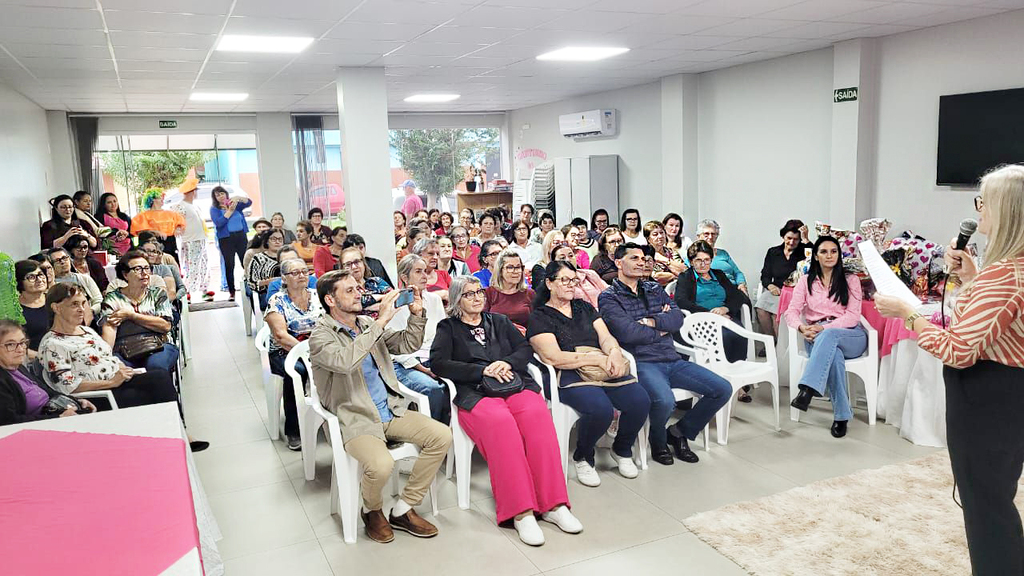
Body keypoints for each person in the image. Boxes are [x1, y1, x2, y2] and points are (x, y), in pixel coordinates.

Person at [874, 165, 1024, 576]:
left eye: (983, 203)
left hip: (987, 400)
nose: (978, 213)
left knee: (986, 507)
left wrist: (909, 314)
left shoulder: (1005, 276)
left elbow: (957, 350)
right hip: (1010, 397)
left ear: (1006, 211)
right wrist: (974, 277)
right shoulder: (1012, 270)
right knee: (996, 497)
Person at [431, 276, 582, 546]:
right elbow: (440, 364)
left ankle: (553, 505)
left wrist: (505, 362)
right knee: (502, 426)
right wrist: (482, 370)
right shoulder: (448, 328)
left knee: (537, 416)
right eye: (469, 294)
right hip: (475, 392)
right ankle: (521, 512)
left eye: (479, 292)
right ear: (456, 300)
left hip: (515, 384)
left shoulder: (499, 321)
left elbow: (525, 348)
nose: (477, 298)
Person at [309, 269, 450, 543]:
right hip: (355, 417)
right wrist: (381, 321)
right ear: (330, 300)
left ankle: (404, 508)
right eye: (349, 290)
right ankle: (371, 511)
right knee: (381, 464)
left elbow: (407, 344)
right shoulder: (320, 336)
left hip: (390, 409)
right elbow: (344, 361)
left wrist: (417, 314)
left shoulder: (364, 324)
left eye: (357, 288)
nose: (358, 293)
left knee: (442, 435)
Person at [599, 243, 731, 466]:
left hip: (671, 358)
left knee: (722, 389)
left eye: (643, 258)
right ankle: (658, 440)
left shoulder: (654, 288)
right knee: (665, 400)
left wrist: (652, 322)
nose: (641, 262)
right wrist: (661, 327)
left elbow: (677, 319)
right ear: (619, 263)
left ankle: (679, 432)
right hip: (642, 361)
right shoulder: (608, 297)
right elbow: (628, 333)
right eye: (634, 258)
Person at [39, 282, 206, 451]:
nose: (82, 309)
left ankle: (177, 433)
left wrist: (121, 368)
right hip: (99, 395)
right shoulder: (52, 344)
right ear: (56, 308)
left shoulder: (85, 330)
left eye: (83, 303)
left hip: (118, 381)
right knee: (152, 392)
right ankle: (177, 435)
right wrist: (111, 383)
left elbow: (105, 355)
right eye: (74, 304)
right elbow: (67, 386)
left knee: (159, 376)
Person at [528, 260, 649, 486]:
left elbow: (604, 335)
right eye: (564, 280)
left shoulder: (583, 307)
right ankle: (583, 456)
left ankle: (621, 449)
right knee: (600, 409)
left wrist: (613, 352)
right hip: (567, 372)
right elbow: (553, 357)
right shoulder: (540, 316)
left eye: (574, 280)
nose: (571, 285)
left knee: (641, 401)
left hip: (601, 365)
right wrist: (596, 359)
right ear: (549, 283)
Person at [784, 236, 865, 439]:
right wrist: (802, 328)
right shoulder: (805, 281)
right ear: (816, 256)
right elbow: (791, 312)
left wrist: (823, 327)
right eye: (824, 252)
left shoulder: (851, 280)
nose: (829, 255)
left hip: (850, 335)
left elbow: (853, 315)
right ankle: (841, 416)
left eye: (833, 251)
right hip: (817, 337)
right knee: (834, 357)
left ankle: (807, 391)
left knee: (830, 335)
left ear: (839, 254)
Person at [265, 258, 322, 451]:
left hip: (317, 347)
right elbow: (281, 335)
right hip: (286, 351)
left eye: (305, 272)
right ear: (284, 278)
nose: (301, 276)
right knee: (296, 372)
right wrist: (305, 352)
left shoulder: (317, 295)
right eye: (295, 273)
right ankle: (294, 429)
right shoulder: (277, 300)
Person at [387, 254, 448, 422]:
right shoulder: (395, 303)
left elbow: (444, 336)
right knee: (433, 389)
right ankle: (435, 436)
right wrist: (425, 369)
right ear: (404, 278)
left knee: (461, 382)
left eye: (426, 271)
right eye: (418, 271)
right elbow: (397, 350)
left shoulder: (434, 299)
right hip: (406, 364)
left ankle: (454, 432)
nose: (424, 276)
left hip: (434, 358)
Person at [99, 250, 181, 376]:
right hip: (124, 349)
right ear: (125, 275)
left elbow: (165, 325)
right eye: (138, 269)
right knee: (119, 371)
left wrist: (130, 315)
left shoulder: (157, 294)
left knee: (155, 367)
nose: (145, 273)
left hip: (158, 345)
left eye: (147, 268)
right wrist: (106, 358)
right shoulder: (113, 299)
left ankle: (163, 396)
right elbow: (109, 330)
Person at [0, 320, 96, 425]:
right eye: (11, 344)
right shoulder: (3, 380)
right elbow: (10, 421)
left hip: (54, 415)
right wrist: (58, 418)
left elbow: (47, 392)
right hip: (37, 429)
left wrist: (77, 401)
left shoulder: (19, 368)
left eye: (22, 342)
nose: (20, 349)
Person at [675, 241, 749, 365]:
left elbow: (737, 295)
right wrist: (710, 313)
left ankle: (736, 372)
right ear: (692, 261)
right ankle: (720, 373)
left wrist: (725, 308)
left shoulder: (719, 274)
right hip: (701, 319)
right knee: (724, 337)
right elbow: (681, 301)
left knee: (739, 334)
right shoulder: (685, 277)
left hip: (724, 316)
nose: (703, 264)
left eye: (707, 260)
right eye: (698, 260)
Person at [757, 220, 813, 336]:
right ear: (783, 236)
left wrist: (806, 240)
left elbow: (814, 259)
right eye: (789, 238)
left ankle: (779, 349)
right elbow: (765, 275)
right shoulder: (773, 252)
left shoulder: (804, 251)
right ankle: (771, 340)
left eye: (796, 239)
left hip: (796, 292)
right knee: (760, 307)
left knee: (775, 313)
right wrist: (770, 285)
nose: (791, 242)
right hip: (776, 290)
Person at [172, 175, 213, 302]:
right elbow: (176, 223)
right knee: (192, 266)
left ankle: (204, 289)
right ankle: (187, 290)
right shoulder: (180, 206)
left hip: (200, 239)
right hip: (190, 240)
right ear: (191, 192)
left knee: (204, 265)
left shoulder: (195, 206)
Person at [209, 186, 252, 299]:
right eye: (217, 195)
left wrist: (239, 198)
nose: (221, 196)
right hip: (226, 239)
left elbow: (249, 203)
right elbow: (219, 223)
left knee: (245, 261)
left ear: (226, 194)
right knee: (229, 264)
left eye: (222, 193)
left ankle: (251, 285)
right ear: (215, 198)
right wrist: (229, 212)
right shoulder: (214, 209)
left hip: (240, 236)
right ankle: (231, 291)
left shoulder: (235, 204)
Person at [688, 219, 747, 294]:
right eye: (706, 234)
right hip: (714, 291)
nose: (710, 237)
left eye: (713, 234)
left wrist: (741, 285)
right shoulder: (693, 256)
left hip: (733, 288)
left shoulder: (723, 253)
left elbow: (737, 273)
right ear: (698, 236)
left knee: (745, 301)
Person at [485, 249, 535, 331]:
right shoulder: (488, 293)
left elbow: (537, 323)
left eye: (518, 267)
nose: (516, 271)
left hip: (524, 339)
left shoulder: (530, 294)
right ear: (500, 270)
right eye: (510, 267)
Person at [131, 188, 185, 263]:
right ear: (153, 199)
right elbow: (140, 232)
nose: (162, 199)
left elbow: (180, 222)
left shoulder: (170, 213)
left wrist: (178, 229)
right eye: (160, 197)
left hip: (171, 242)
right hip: (153, 242)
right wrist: (155, 232)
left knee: (172, 262)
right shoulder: (144, 215)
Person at [340, 246, 392, 318]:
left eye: (357, 262)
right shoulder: (343, 289)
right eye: (348, 264)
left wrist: (368, 307)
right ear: (342, 268)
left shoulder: (376, 281)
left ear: (363, 263)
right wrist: (384, 299)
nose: (354, 267)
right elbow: (355, 304)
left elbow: (395, 298)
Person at [552, 243, 608, 309]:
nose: (568, 260)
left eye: (570, 255)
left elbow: (608, 292)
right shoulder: (557, 284)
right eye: (562, 258)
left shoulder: (590, 274)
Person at [49, 248, 101, 316]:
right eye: (58, 260)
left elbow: (98, 300)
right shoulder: (51, 285)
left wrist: (90, 312)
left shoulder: (85, 279)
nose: (62, 262)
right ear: (51, 265)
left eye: (64, 258)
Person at [16, 260, 49, 358]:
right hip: (31, 360)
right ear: (19, 282)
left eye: (41, 274)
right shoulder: (15, 310)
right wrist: (43, 357)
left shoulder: (55, 300)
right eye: (31, 277)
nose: (39, 280)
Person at [247, 229, 285, 310]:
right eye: (274, 239)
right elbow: (251, 283)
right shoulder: (258, 258)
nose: (277, 242)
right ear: (267, 241)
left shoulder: (288, 256)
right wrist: (269, 282)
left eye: (280, 239)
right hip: (267, 294)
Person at [140, 239, 186, 304]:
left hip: (163, 305)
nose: (151, 254)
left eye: (154, 252)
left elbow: (172, 292)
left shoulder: (165, 268)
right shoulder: (135, 269)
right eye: (148, 251)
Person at [644, 221, 685, 286]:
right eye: (655, 234)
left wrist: (664, 259)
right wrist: (676, 276)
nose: (660, 236)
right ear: (648, 238)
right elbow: (655, 277)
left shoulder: (672, 252)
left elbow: (684, 270)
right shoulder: (645, 254)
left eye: (662, 233)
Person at [410, 238, 451, 302]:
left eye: (437, 254)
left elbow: (456, 295)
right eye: (430, 254)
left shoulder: (444, 275)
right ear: (419, 255)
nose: (435, 257)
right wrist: (441, 294)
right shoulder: (411, 276)